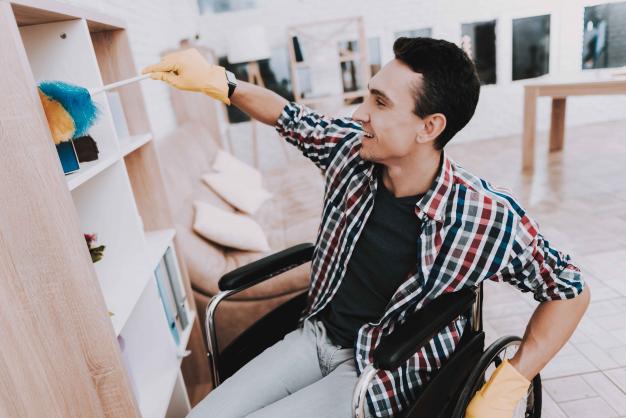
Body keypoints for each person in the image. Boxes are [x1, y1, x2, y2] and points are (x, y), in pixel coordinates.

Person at [143, 37, 590, 418]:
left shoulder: (482, 215)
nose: (359, 113)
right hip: (315, 335)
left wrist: (512, 380)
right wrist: (220, 82)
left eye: (379, 103)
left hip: (380, 372)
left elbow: (569, 289)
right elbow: (289, 117)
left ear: (429, 126)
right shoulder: (351, 154)